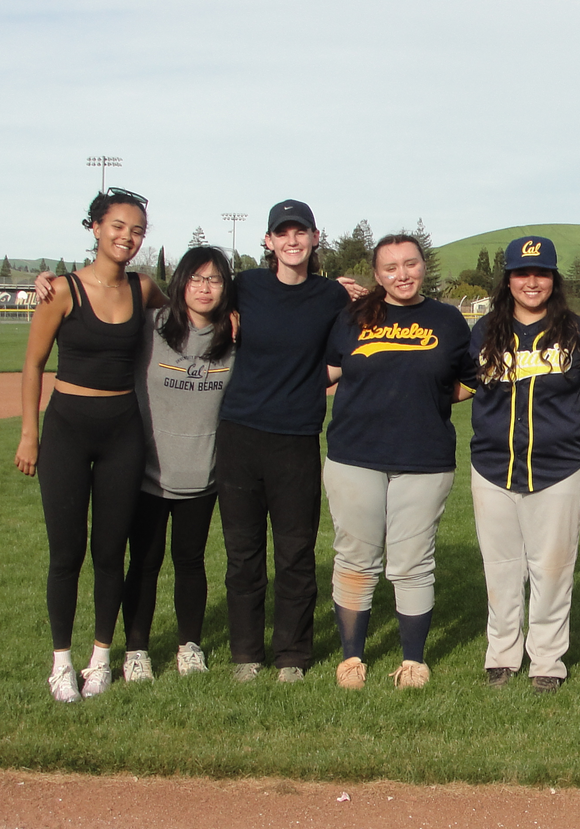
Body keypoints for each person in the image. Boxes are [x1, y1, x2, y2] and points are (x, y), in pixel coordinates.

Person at [16, 188, 163, 702]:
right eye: (118, 226)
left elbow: (191, 312)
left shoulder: (144, 288)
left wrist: (229, 315)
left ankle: (100, 659)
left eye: (138, 230)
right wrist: (29, 434)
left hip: (123, 432)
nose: (128, 237)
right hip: (66, 431)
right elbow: (33, 364)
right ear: (96, 227)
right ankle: (61, 663)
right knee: (66, 552)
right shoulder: (62, 291)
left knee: (109, 551)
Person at [323, 234, 475, 690]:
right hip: (355, 454)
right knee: (356, 558)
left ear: (424, 266)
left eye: (410, 264)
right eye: (390, 267)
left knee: (412, 562)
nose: (402, 274)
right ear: (377, 274)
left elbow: (468, 381)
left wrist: (429, 399)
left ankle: (413, 661)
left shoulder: (447, 319)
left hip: (424, 457)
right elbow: (327, 371)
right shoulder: (353, 317)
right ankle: (352, 659)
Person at [217, 200, 350, 684]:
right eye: (282, 233)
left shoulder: (331, 296)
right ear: (269, 241)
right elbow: (188, 293)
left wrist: (313, 381)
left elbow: (353, 349)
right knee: (243, 553)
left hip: (295, 437)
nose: (292, 241)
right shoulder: (246, 285)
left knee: (295, 553)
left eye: (300, 232)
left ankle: (292, 655)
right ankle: (246, 654)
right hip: (240, 433)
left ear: (315, 237)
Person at [467, 236, 580, 694]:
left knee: (553, 570)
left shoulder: (577, 331)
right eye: (522, 273)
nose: (532, 281)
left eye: (541, 273)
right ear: (508, 279)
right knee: (501, 568)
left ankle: (547, 660)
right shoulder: (484, 330)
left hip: (558, 468)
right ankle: (502, 655)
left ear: (553, 278)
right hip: (492, 467)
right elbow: (463, 383)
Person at [119, 245, 236, 682]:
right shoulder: (150, 326)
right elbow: (99, 305)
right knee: (144, 563)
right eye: (196, 278)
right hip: (148, 473)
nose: (205, 288)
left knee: (190, 562)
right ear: (181, 282)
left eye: (215, 280)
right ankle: (136, 650)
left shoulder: (234, 336)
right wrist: (51, 284)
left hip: (201, 475)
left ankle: (190, 646)